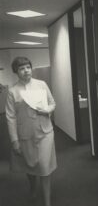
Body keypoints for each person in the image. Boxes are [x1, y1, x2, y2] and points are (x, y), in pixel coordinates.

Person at [6, 57, 56, 206]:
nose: (26, 70)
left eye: (28, 67)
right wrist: (14, 141)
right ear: (16, 72)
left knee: (44, 166)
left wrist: (47, 109)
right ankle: (33, 187)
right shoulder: (12, 91)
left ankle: (47, 201)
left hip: (45, 132)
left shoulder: (42, 85)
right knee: (30, 165)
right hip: (25, 135)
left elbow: (52, 103)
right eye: (22, 68)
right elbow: (10, 117)